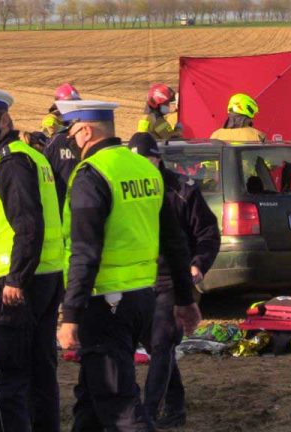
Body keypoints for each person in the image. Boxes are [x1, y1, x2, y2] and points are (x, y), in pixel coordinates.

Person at [55, 100, 201, 431]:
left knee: (120, 407)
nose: (70, 141)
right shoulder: (145, 170)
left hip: (105, 302)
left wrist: (70, 315)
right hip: (143, 298)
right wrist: (184, 299)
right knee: (90, 401)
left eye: (72, 132)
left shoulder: (91, 174)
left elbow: (84, 251)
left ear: (86, 130)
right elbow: (174, 241)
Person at [0, 86, 63, 432]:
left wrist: (16, 278)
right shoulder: (33, 157)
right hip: (47, 275)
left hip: (19, 285)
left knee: (2, 377)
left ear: (4, 120)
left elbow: (28, 224)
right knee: (39, 371)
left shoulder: (11, 163)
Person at [129, 132, 221, 428]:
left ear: (158, 159)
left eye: (147, 161)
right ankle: (176, 406)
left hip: (174, 278)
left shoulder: (182, 190)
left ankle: (149, 411)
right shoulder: (127, 190)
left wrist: (198, 265)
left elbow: (208, 233)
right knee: (159, 346)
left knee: (162, 342)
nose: (141, 167)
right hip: (138, 279)